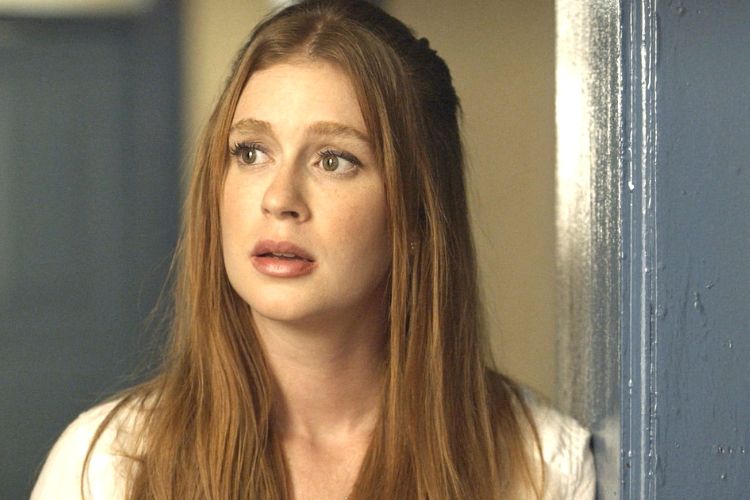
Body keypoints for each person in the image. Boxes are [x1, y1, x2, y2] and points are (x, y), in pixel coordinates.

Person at [31, 1, 595, 498]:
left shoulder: (541, 466)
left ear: (417, 209)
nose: (279, 198)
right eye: (251, 152)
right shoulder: (106, 467)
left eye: (333, 160)